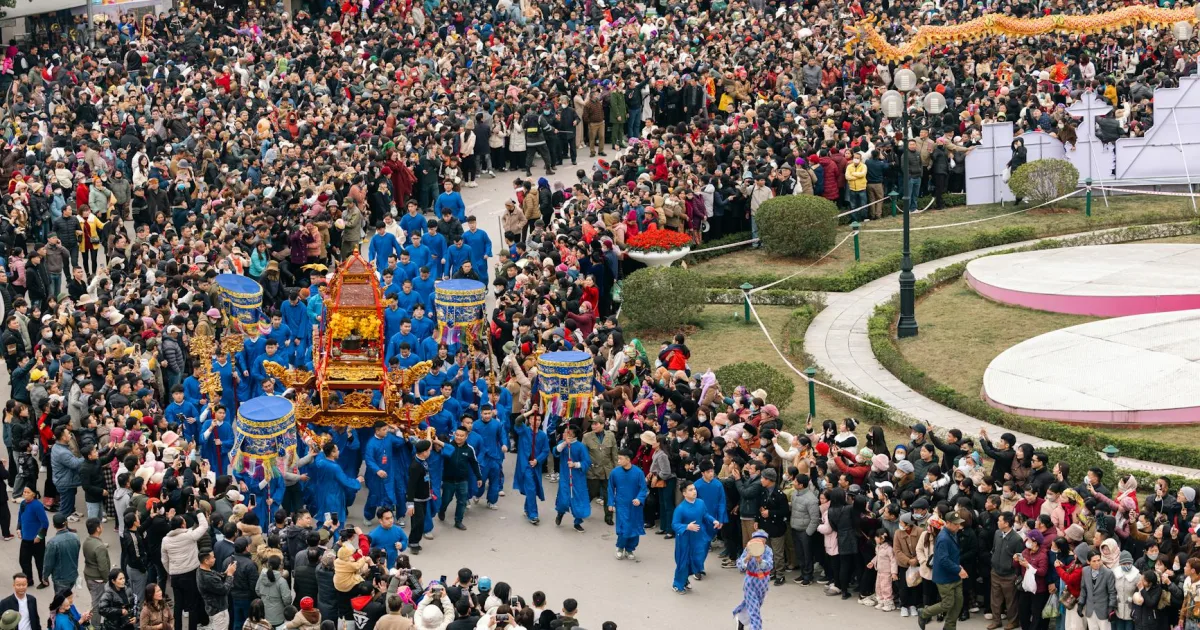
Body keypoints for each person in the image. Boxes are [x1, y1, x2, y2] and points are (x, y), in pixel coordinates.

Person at [917, 512, 968, 630]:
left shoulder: (952, 533)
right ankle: (924, 613)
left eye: (959, 524)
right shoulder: (943, 538)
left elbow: (952, 555)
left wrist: (958, 567)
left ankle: (949, 627)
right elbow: (943, 560)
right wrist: (958, 569)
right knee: (948, 603)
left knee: (958, 603)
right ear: (948, 523)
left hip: (954, 575)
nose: (958, 526)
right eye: (955, 524)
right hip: (945, 577)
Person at [670, 481, 721, 594]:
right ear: (684, 493)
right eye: (690, 490)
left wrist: (714, 520)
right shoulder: (680, 508)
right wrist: (687, 526)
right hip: (684, 539)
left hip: (698, 537)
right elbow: (674, 524)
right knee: (683, 561)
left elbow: (705, 515)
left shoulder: (700, 503)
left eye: (694, 489)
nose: (694, 491)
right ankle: (677, 584)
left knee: (696, 560)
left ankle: (685, 579)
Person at [608, 449, 648, 561]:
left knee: (635, 527)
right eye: (618, 458)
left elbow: (643, 488)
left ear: (628, 459)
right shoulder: (615, 472)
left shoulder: (638, 472)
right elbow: (610, 488)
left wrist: (639, 499)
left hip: (635, 505)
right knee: (624, 527)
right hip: (621, 504)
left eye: (621, 458)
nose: (618, 460)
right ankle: (620, 548)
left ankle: (630, 549)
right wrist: (611, 502)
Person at [512, 413, 549, 525]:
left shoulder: (543, 435)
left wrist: (537, 460)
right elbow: (518, 420)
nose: (536, 422)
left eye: (538, 419)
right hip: (525, 465)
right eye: (533, 419)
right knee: (531, 488)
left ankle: (527, 508)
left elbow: (545, 450)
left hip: (536, 465)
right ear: (529, 420)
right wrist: (531, 411)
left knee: (533, 487)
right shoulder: (524, 430)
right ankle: (533, 514)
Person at [553, 427, 592, 533]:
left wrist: (575, 464)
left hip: (578, 478)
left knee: (578, 500)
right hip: (565, 477)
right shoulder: (563, 443)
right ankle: (560, 512)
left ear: (573, 435)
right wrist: (565, 443)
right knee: (563, 498)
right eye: (565, 432)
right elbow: (555, 452)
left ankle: (577, 522)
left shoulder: (581, 447)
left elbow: (587, 462)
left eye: (567, 432)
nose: (564, 433)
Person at [732, 531, 773, 630]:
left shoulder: (768, 551)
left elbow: (770, 566)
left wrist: (760, 560)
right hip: (750, 582)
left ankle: (741, 619)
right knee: (755, 612)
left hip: (763, 582)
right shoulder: (748, 550)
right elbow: (740, 566)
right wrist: (746, 559)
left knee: (755, 606)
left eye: (762, 542)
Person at [583, 418, 618, 526]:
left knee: (608, 495)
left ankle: (608, 517)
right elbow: (583, 454)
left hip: (608, 470)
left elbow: (614, 453)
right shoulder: (587, 436)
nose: (593, 426)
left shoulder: (610, 435)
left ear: (602, 425)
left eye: (596, 424)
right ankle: (582, 509)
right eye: (592, 424)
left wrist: (616, 470)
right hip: (593, 470)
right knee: (591, 492)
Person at [15, 486, 49, 588]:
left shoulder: (37, 506)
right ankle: (29, 579)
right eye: (24, 492)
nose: (25, 494)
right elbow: (20, 518)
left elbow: (45, 523)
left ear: (33, 494)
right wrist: (18, 529)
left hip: (37, 540)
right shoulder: (23, 504)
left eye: (28, 492)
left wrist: (39, 536)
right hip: (25, 539)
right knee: (23, 561)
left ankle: (44, 581)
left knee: (40, 562)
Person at [197, 551, 236, 630]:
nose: (215, 559)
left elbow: (215, 579)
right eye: (212, 557)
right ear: (206, 561)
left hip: (213, 609)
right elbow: (224, 590)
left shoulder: (201, 570)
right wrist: (230, 575)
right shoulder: (207, 577)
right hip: (218, 612)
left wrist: (226, 572)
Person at [407, 440, 434, 554]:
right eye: (428, 450)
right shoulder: (415, 466)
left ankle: (416, 541)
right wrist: (410, 504)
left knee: (420, 521)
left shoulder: (422, 461)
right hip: (416, 499)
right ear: (423, 452)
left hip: (424, 497)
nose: (430, 452)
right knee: (418, 521)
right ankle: (413, 543)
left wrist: (429, 490)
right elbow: (411, 486)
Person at [43, 513, 80, 593]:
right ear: (66, 523)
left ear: (53, 525)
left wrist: (45, 577)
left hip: (60, 578)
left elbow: (48, 563)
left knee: (61, 602)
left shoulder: (53, 543)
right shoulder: (75, 537)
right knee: (67, 599)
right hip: (73, 575)